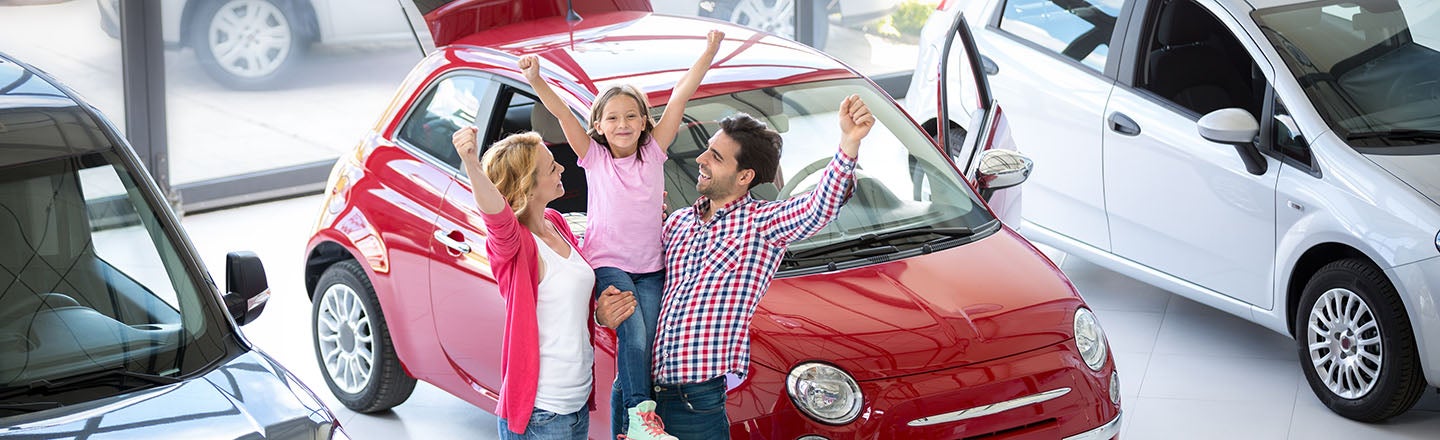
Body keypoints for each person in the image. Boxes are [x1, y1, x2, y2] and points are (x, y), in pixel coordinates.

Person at [520, 29, 726, 440]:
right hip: (608, 263)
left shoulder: (653, 152)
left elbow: (682, 95)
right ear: (598, 124)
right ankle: (641, 415)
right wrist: (536, 81)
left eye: (632, 116)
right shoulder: (593, 158)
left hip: (651, 268)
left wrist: (708, 52)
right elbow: (562, 115)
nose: (623, 124)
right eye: (612, 117)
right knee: (631, 329)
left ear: (645, 122)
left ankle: (631, 426)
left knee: (643, 348)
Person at [650, 95, 875, 439]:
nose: (701, 158)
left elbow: (818, 207)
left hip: (695, 400)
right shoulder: (678, 222)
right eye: (708, 149)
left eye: (715, 156)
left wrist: (848, 143)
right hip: (644, 397)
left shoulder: (760, 224)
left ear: (745, 177)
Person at [450, 129, 638, 439]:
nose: (562, 168)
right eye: (552, 167)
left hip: (576, 406)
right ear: (528, 185)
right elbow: (497, 219)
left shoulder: (556, 222)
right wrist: (471, 163)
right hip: (543, 414)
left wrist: (598, 314)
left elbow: (564, 300)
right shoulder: (515, 246)